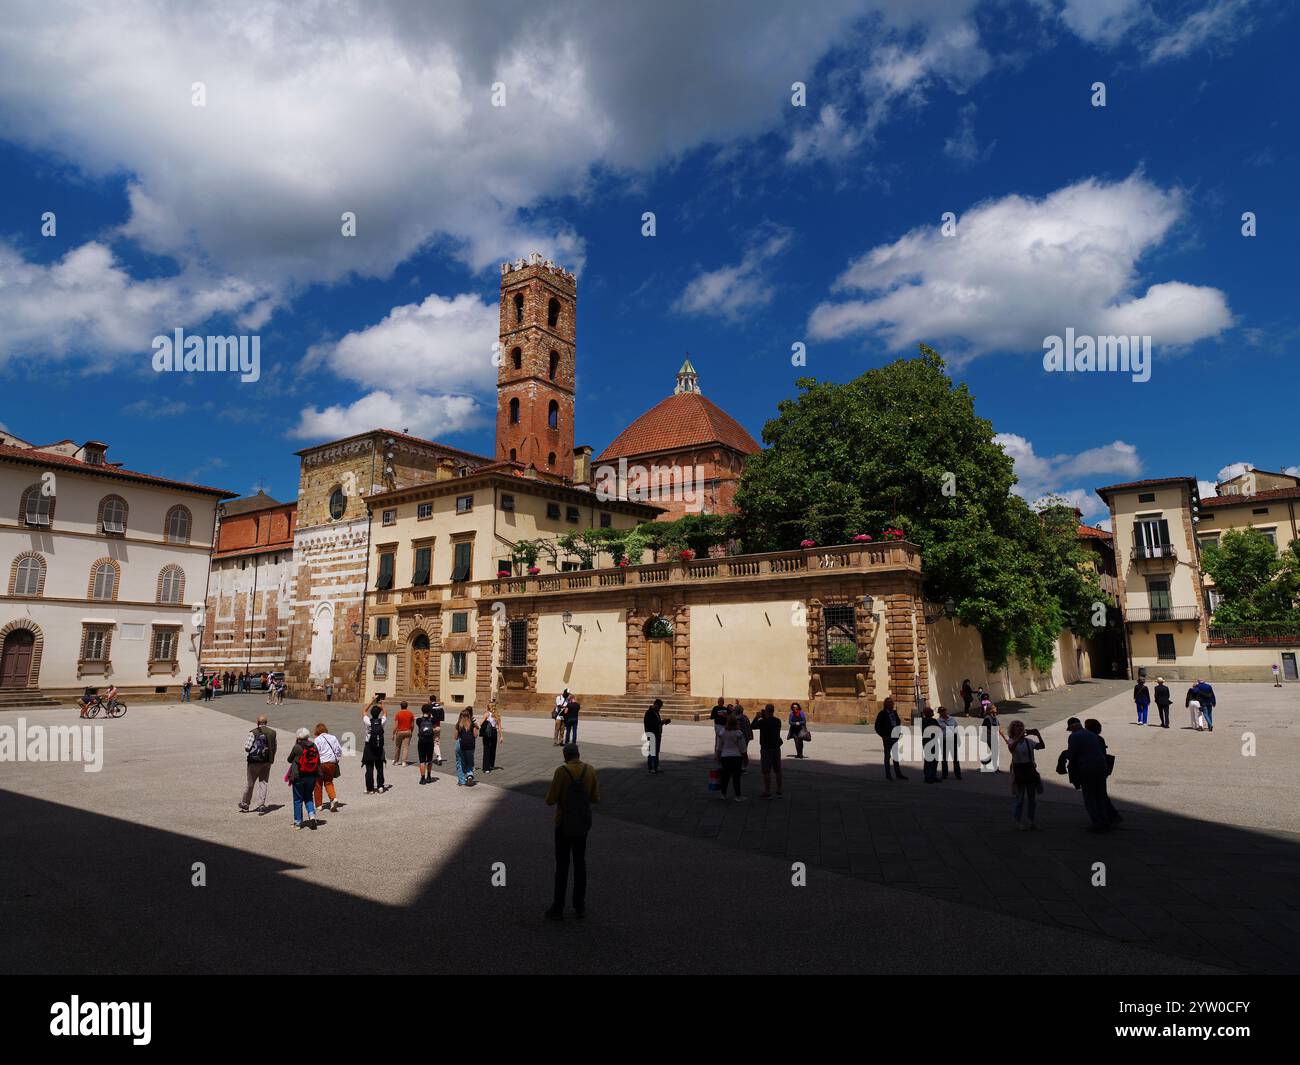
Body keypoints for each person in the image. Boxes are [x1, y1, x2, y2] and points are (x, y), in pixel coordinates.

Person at [544, 743, 600, 920]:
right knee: (580, 864)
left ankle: (558, 906)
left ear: (565, 756)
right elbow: (595, 798)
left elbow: (550, 800)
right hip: (582, 825)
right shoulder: (590, 770)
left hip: (563, 823)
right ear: (578, 754)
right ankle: (579, 905)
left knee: (562, 866)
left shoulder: (562, 772)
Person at [1066, 718, 1113, 831]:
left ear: (1072, 728)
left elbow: (1071, 755)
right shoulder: (1092, 735)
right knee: (1100, 795)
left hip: (1087, 769)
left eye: (1070, 730)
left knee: (1089, 797)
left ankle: (1097, 823)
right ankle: (1105, 821)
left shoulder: (1074, 736)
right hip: (1101, 767)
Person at [1003, 721, 1045, 829]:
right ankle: (1018, 821)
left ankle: (1031, 821)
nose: (1019, 727)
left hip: (1029, 770)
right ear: (1013, 729)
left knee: (1032, 799)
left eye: (1021, 725)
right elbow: (1011, 748)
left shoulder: (1029, 741)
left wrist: (1038, 735)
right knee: (1020, 798)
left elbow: (1041, 746)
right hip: (1018, 771)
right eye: (1017, 726)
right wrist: (1020, 737)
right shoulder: (1011, 740)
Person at [1085, 719, 1122, 826]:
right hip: (1102, 769)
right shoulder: (1100, 738)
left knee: (1094, 796)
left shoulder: (1091, 739)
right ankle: (1112, 815)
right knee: (1102, 794)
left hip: (1094, 769)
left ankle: (1103, 820)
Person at [239, 714, 277, 812]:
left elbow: (247, 747)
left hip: (254, 761)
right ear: (266, 723)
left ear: (257, 722)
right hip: (267, 761)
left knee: (250, 783)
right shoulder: (272, 733)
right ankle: (261, 805)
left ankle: (245, 803)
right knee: (263, 783)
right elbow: (274, 747)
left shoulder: (253, 732)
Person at [286, 727, 320, 830]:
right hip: (311, 775)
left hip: (299, 776)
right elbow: (318, 760)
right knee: (309, 796)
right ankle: (312, 815)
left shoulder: (297, 747)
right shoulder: (314, 745)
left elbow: (289, 759)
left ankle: (298, 822)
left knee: (298, 799)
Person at [754, 703, 784, 798]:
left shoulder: (762, 722)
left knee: (766, 771)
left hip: (766, 748)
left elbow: (752, 726)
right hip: (776, 747)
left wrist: (757, 717)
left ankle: (767, 791)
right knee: (777, 770)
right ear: (773, 711)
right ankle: (779, 789)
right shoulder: (777, 721)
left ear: (766, 711)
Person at [715, 710, 746, 801]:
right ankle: (738, 796)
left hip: (725, 757)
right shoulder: (738, 733)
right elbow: (743, 748)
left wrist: (718, 756)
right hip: (736, 757)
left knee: (725, 777)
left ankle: (723, 794)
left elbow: (719, 746)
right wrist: (745, 758)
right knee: (736, 777)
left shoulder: (722, 732)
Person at [313, 722, 343, 812]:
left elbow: (315, 753)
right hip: (332, 763)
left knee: (318, 784)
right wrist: (336, 759)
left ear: (317, 731)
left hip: (321, 763)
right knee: (329, 782)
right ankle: (333, 798)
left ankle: (318, 805)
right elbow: (339, 750)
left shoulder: (317, 739)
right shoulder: (333, 737)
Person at [874, 697, 907, 780]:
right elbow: (877, 727)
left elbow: (898, 722)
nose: (891, 704)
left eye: (892, 703)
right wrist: (883, 736)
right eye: (889, 703)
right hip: (887, 738)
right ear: (885, 704)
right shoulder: (882, 713)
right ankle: (888, 775)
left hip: (895, 737)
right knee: (887, 756)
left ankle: (898, 773)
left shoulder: (894, 713)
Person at [362, 701, 387, 794]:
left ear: (371, 714)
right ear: (379, 713)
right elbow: (385, 713)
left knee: (369, 768)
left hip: (369, 746)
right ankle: (380, 786)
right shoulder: (382, 722)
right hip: (379, 747)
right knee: (379, 768)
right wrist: (382, 705)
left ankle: (370, 788)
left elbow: (364, 710)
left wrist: (372, 701)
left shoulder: (368, 722)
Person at [643, 698, 669, 774]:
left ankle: (656, 767)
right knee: (652, 752)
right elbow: (652, 725)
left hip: (657, 735)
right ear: (655, 705)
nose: (659, 709)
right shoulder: (649, 713)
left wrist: (663, 722)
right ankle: (650, 768)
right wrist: (661, 722)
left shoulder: (656, 712)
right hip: (651, 735)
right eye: (659, 707)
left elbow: (657, 723)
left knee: (656, 752)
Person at [454, 707, 478, 786]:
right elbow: (475, 735)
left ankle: (461, 780)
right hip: (470, 746)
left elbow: (456, 737)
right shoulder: (472, 724)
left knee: (460, 762)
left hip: (461, 745)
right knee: (469, 762)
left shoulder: (458, 724)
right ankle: (470, 775)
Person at [416, 704, 439, 784]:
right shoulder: (433, 720)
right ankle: (429, 776)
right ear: (430, 711)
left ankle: (422, 778)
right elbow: (438, 729)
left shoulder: (419, 720)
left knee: (422, 761)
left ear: (422, 711)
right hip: (430, 742)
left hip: (421, 742)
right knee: (429, 760)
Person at [937, 705, 961, 779]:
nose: (943, 712)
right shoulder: (938, 721)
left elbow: (956, 729)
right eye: (941, 711)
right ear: (939, 713)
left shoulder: (952, 719)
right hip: (943, 741)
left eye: (944, 711)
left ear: (946, 711)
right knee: (944, 758)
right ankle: (944, 774)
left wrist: (958, 739)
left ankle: (958, 774)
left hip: (952, 740)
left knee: (955, 758)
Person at [921, 706, 942, 783]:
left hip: (933, 742)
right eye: (931, 711)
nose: (933, 712)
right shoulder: (927, 721)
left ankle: (933, 776)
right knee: (929, 761)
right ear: (928, 713)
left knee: (934, 760)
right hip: (928, 743)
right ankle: (927, 777)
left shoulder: (931, 720)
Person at [392, 700, 415, 766]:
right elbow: (412, 725)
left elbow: (395, 725)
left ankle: (396, 761)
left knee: (397, 747)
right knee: (406, 747)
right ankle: (404, 762)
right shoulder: (410, 713)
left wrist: (393, 734)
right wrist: (411, 731)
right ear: (407, 706)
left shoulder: (398, 714)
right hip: (408, 731)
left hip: (399, 731)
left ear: (400, 706)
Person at [480, 704, 502, 773]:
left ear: (488, 707)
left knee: (486, 749)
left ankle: (486, 768)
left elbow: (481, 723)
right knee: (493, 749)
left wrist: (487, 722)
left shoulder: (487, 714)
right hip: (494, 733)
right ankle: (490, 765)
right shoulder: (497, 715)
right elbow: (499, 727)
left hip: (487, 733)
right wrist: (501, 736)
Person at [980, 701, 1001, 772]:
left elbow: (998, 727)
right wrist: (992, 733)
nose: (996, 709)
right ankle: (995, 768)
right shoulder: (987, 718)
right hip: (989, 738)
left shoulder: (995, 718)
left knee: (995, 752)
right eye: (994, 708)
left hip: (994, 737)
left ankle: (986, 761)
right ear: (991, 710)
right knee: (995, 752)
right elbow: (983, 728)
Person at [734, 702, 752, 772]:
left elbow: (736, 729)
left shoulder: (737, 718)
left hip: (740, 738)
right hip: (746, 737)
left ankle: (740, 767)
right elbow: (749, 727)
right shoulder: (745, 717)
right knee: (744, 752)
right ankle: (743, 767)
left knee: (739, 753)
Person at [428, 696, 445, 764]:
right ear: (435, 699)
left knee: (429, 743)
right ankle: (439, 757)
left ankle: (428, 759)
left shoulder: (429, 706)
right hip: (438, 726)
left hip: (431, 727)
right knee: (436, 743)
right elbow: (442, 717)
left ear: (430, 700)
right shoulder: (440, 707)